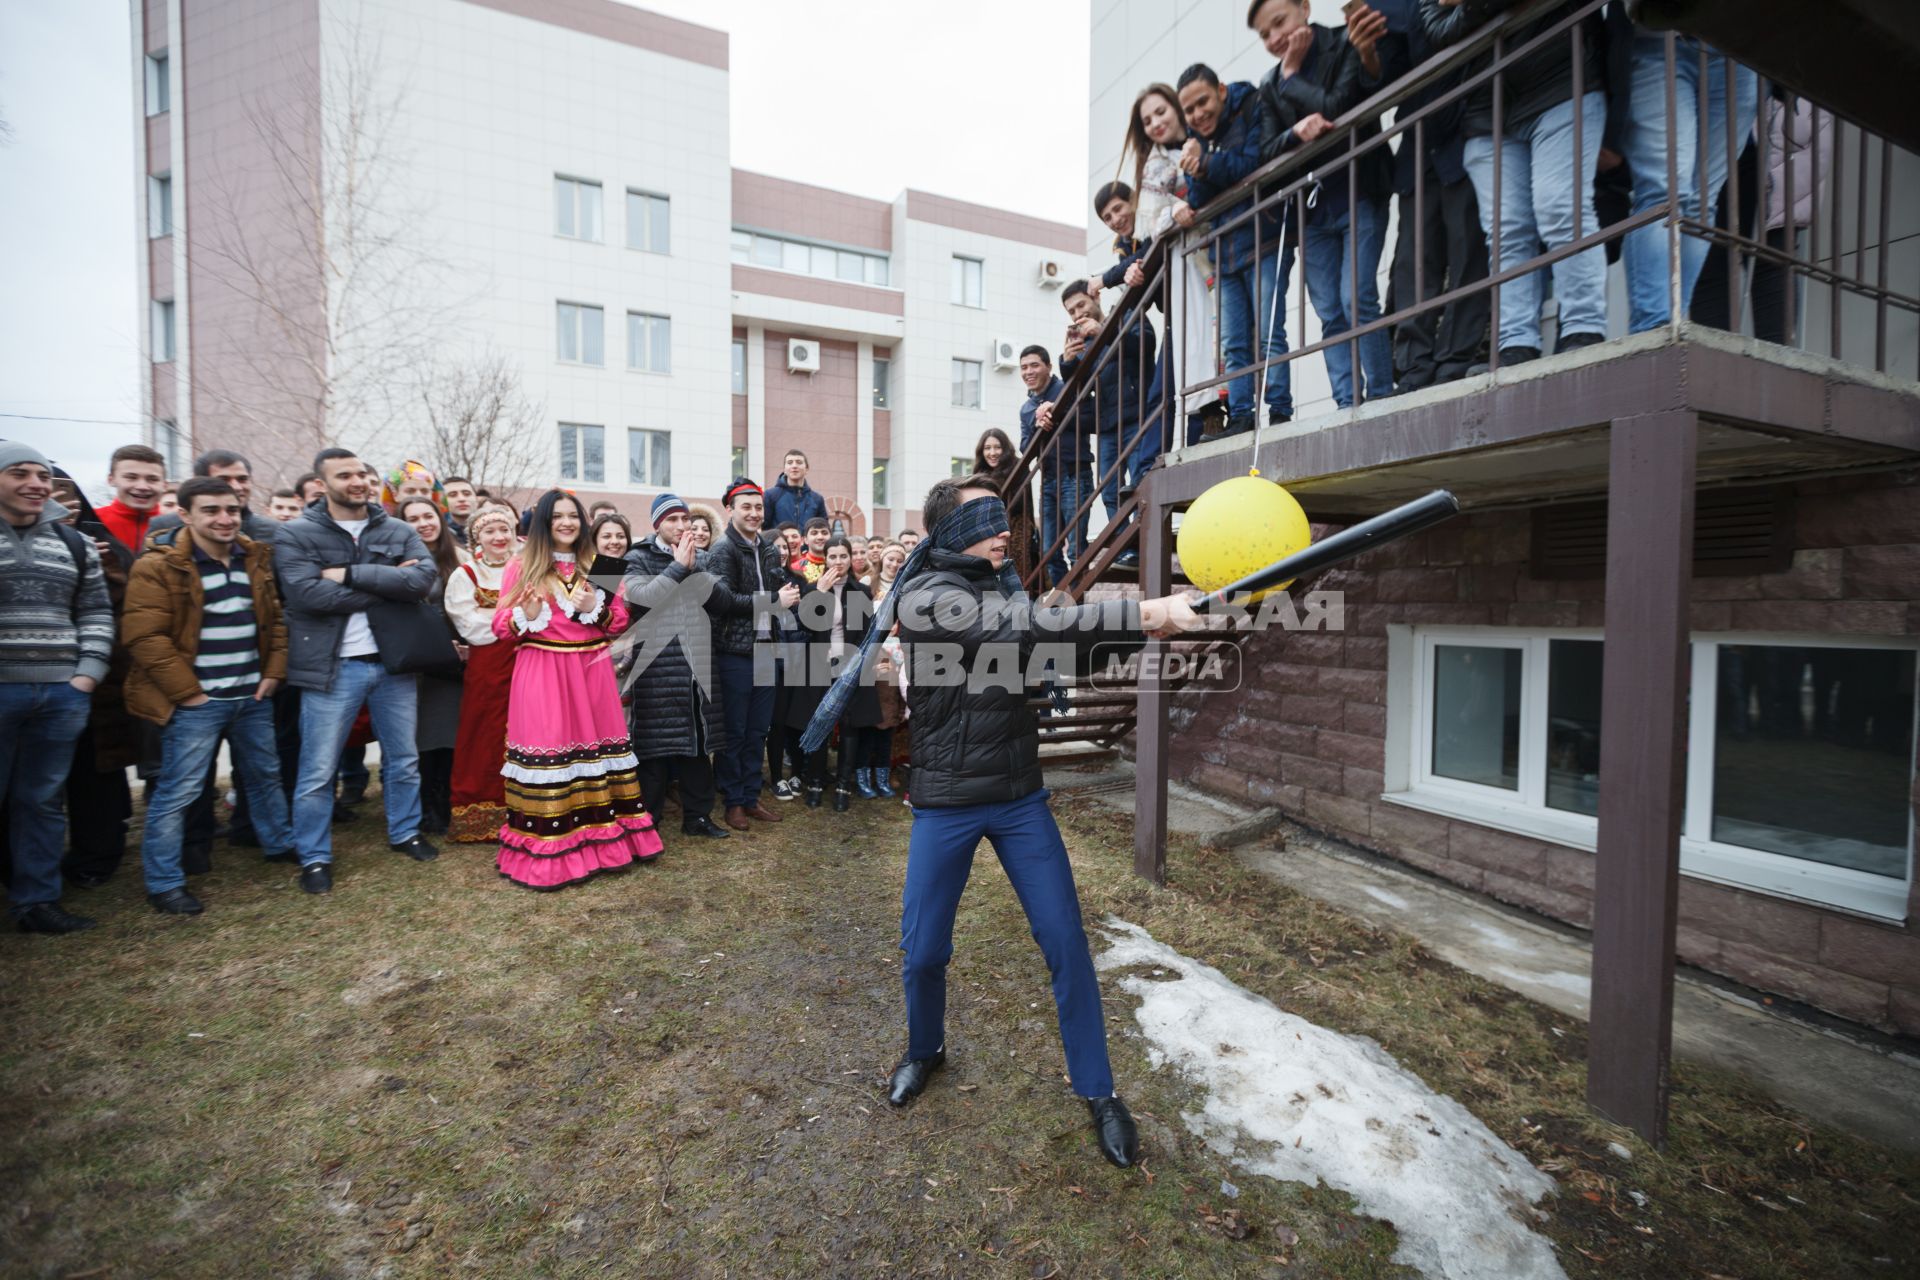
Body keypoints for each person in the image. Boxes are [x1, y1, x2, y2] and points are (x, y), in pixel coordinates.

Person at [800, 475, 1206, 1166]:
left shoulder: (1010, 590)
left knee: (1066, 942)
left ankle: (1099, 1089)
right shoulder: (928, 597)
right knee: (924, 948)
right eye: (984, 518)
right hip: (946, 802)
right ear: (947, 531)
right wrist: (1141, 611)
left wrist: (1150, 629)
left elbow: (1058, 645)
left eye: (1004, 516)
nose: (1003, 529)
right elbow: (1016, 632)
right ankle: (925, 1049)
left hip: (1019, 798)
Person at [122, 476, 293, 915]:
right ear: (184, 514)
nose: (224, 519)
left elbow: (274, 622)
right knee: (178, 791)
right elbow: (146, 639)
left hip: (251, 697)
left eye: (232, 510)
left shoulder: (254, 557)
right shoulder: (158, 566)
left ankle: (278, 844)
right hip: (197, 703)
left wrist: (272, 673)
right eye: (211, 510)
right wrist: (191, 695)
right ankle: (164, 882)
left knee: (265, 775)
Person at [277, 448, 441, 894]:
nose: (356, 482)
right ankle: (313, 856)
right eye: (344, 475)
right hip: (332, 668)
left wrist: (346, 574)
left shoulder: (399, 528)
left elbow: (422, 582)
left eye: (361, 474)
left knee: (403, 759)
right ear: (323, 482)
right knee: (317, 769)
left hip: (393, 664)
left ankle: (405, 831)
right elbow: (306, 596)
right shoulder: (296, 534)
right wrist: (387, 584)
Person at [1421, 0, 1610, 365]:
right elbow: (1437, 29)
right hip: (1486, 107)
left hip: (1561, 76)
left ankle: (1584, 329)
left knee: (1560, 206)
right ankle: (1516, 342)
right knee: (1506, 231)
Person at [492, 489, 663, 887]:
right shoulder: (522, 567)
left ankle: (605, 842)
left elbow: (618, 621)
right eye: (558, 517)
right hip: (543, 669)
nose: (567, 523)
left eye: (573, 516)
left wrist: (595, 610)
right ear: (544, 523)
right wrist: (526, 614)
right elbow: (499, 628)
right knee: (551, 749)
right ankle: (551, 848)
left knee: (598, 751)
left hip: (592, 670)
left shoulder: (599, 565)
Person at [1250, 0, 1405, 407]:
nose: (1274, 38)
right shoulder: (1268, 84)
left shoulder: (1342, 42)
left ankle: (1382, 394)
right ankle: (1346, 402)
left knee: (1357, 298)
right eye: (1265, 35)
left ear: (1304, 8)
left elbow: (1340, 106)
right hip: (1313, 212)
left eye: (1278, 23)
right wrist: (1295, 133)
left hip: (1360, 189)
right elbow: (1266, 151)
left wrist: (1291, 77)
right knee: (1330, 312)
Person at [0, 442, 112, 933]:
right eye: (19, 473)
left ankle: (36, 903)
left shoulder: (74, 543)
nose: (35, 484)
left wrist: (87, 674)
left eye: (42, 475)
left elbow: (94, 611)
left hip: (61, 694)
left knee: (42, 801)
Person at [1617, 21, 1757, 333]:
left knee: (1702, 204)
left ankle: (1673, 318)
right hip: (1659, 34)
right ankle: (1653, 325)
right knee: (1665, 192)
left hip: (1738, 51)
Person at [1178, 63, 1292, 433]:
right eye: (1190, 110)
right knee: (1235, 343)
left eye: (1203, 102)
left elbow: (1252, 162)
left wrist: (1206, 163)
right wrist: (1196, 170)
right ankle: (1242, 415)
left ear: (1221, 91)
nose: (1198, 114)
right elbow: (1198, 200)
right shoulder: (1196, 140)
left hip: (1264, 235)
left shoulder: (1250, 105)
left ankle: (1279, 410)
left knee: (1269, 333)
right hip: (1224, 251)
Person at [1384, 0, 1490, 391]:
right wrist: (1368, 53)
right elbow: (1385, 70)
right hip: (1418, 142)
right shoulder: (1395, 11)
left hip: (1465, 126)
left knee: (1468, 249)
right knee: (1414, 259)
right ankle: (1415, 366)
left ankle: (1458, 355)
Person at [44, 469, 139, 890]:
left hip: (97, 684)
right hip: (30, 677)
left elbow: (121, 608)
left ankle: (95, 856)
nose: (63, 503)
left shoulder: (103, 547)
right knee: (37, 785)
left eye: (68, 495)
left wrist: (107, 569)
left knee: (95, 775)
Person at [617, 493, 731, 842]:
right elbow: (642, 598)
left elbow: (724, 601)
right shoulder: (637, 556)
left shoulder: (704, 557)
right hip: (656, 666)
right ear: (657, 525)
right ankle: (647, 820)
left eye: (685, 519)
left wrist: (694, 568)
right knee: (653, 745)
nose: (681, 527)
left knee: (698, 746)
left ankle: (697, 817)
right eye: (672, 521)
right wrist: (678, 567)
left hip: (697, 662)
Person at [1118, 83, 1218, 441]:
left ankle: (1238, 410)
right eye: (1147, 120)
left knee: (1227, 332)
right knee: (1197, 338)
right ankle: (1207, 420)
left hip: (1223, 245)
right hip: (1189, 258)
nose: (1156, 123)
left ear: (1176, 107)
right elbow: (1152, 222)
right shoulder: (1154, 167)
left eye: (1160, 112)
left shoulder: (1206, 140)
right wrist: (1175, 210)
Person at [704, 478, 800, 830]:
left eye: (759, 507)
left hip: (766, 650)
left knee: (758, 730)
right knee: (735, 730)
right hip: (735, 651)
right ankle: (733, 802)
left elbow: (775, 597)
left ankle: (749, 795)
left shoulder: (768, 549)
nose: (754, 513)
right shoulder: (721, 550)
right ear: (730, 510)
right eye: (746, 507)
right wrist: (775, 601)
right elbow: (721, 600)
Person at [1059, 279, 1156, 565]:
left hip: (1138, 415)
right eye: (1071, 311)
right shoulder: (1084, 343)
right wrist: (1068, 364)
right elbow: (1079, 391)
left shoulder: (1126, 313)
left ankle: (1143, 544)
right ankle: (1128, 546)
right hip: (1107, 426)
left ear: (1096, 297)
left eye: (1081, 305)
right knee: (1110, 490)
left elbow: (1145, 345)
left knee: (1140, 483)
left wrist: (1105, 331)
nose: (1077, 314)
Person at [784, 535, 880, 809]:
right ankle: (815, 781)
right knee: (820, 724)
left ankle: (842, 785)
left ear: (851, 559)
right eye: (833, 556)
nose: (838, 561)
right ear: (825, 559)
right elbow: (802, 623)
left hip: (850, 666)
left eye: (843, 556)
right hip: (819, 666)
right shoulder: (814, 588)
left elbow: (866, 632)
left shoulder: (860, 592)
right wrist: (819, 593)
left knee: (850, 726)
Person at [445, 504, 518, 842]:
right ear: (477, 537)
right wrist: (515, 620)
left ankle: (529, 805)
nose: (498, 537)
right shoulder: (466, 575)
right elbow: (469, 624)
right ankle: (483, 812)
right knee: (484, 732)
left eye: (503, 529)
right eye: (489, 531)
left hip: (525, 661)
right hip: (488, 666)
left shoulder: (526, 569)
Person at [398, 497, 466, 837]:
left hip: (455, 664)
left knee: (448, 738)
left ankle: (444, 803)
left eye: (429, 516)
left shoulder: (460, 558)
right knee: (420, 741)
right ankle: (425, 807)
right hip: (416, 663)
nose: (423, 523)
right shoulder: (397, 560)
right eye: (413, 518)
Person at [1019, 345, 1087, 589]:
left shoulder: (1064, 389)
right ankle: (1063, 601)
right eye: (1024, 367)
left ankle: (1079, 600)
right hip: (1048, 480)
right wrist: (1038, 424)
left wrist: (1055, 412)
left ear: (1048, 366)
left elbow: (1087, 419)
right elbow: (1025, 450)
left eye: (1034, 365)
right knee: (1048, 549)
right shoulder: (1026, 409)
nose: (1029, 371)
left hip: (1074, 473)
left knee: (1076, 546)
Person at [147, 450, 281, 544]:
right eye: (224, 479)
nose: (237, 487)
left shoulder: (273, 531)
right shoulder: (163, 528)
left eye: (242, 479)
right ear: (199, 482)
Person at [974, 427, 1037, 586]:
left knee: (1016, 573)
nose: (992, 453)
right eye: (987, 448)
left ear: (1005, 449)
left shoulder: (1017, 466)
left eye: (997, 447)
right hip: (989, 530)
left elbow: (1020, 502)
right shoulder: (980, 472)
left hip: (1016, 526)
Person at [95, 444, 166, 556]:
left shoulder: (178, 527)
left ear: (164, 485)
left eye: (152, 479)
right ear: (111, 480)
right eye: (131, 477)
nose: (142, 486)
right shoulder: (91, 520)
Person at [768, 448, 829, 529]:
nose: (794, 466)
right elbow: (764, 528)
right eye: (790, 463)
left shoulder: (817, 499)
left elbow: (823, 528)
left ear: (807, 469)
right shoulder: (771, 495)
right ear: (784, 470)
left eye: (799, 462)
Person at [441, 476, 478, 544]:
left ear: (476, 499)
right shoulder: (438, 534)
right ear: (442, 501)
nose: (461, 499)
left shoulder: (488, 530)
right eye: (452, 495)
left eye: (467, 494)